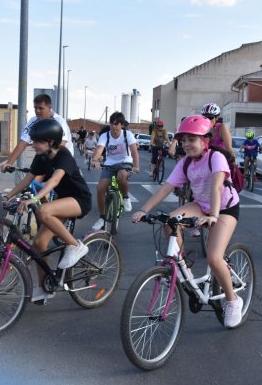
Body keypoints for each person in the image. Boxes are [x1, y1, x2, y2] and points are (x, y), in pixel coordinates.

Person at [132, 115, 243, 328]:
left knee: (213, 257)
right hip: (201, 204)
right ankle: (184, 268)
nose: (185, 144)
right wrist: (144, 210)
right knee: (169, 221)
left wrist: (213, 216)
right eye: (183, 140)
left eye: (191, 139)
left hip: (225, 207)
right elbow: (166, 187)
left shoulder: (215, 157)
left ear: (205, 140)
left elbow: (216, 187)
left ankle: (232, 300)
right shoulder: (185, 163)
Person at [2, 119, 92, 301]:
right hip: (62, 201)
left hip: (79, 200)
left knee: (43, 211)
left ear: (51, 142)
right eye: (33, 141)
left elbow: (54, 181)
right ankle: (45, 287)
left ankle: (76, 246)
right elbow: (26, 181)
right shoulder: (41, 157)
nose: (32, 145)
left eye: (37, 142)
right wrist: (7, 196)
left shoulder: (64, 156)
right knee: (38, 244)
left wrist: (34, 199)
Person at [90, 111, 139, 231]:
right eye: (112, 123)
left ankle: (126, 197)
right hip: (110, 164)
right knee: (100, 188)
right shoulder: (105, 136)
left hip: (125, 162)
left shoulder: (127, 135)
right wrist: (95, 159)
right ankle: (102, 218)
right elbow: (99, 149)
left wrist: (136, 166)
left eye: (116, 124)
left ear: (121, 125)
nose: (114, 126)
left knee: (121, 176)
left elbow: (134, 152)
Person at [0, 94, 74, 172]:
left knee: (53, 181)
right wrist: (8, 163)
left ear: (49, 108)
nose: (37, 111)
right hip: (44, 155)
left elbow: (60, 145)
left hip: (62, 158)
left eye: (41, 108)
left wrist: (46, 164)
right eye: (35, 108)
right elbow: (22, 143)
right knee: (31, 179)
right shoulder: (33, 120)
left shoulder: (60, 122)